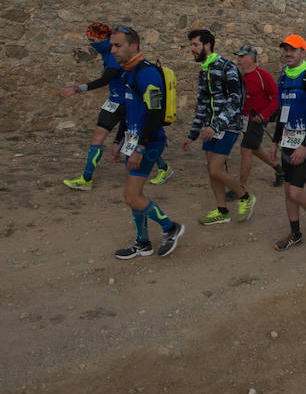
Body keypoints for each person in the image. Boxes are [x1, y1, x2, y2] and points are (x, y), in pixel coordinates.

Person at [60, 23, 173, 189]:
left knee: (136, 143)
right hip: (115, 101)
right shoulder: (112, 55)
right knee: (101, 138)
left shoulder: (128, 62)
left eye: (94, 40)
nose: (92, 44)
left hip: (126, 103)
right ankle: (86, 178)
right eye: (89, 40)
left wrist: (77, 89)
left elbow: (106, 79)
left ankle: (162, 167)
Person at [108, 25, 184, 259]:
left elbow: (154, 113)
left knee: (132, 196)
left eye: (118, 45)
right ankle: (143, 242)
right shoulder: (129, 72)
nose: (113, 50)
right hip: (134, 141)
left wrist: (140, 146)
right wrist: (119, 139)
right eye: (111, 45)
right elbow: (130, 110)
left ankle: (170, 227)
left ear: (134, 46)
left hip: (149, 143)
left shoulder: (146, 72)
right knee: (135, 194)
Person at [182, 29, 256, 225]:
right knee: (211, 168)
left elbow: (235, 99)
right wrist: (193, 133)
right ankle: (222, 210)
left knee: (215, 169)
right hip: (210, 128)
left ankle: (244, 197)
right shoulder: (204, 70)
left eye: (195, 45)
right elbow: (202, 104)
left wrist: (216, 126)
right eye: (191, 45)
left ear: (207, 45)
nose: (192, 49)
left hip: (228, 126)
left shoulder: (227, 66)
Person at [269, 34, 306, 249]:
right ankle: (295, 235)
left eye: (292, 49)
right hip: (287, 140)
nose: (288, 53)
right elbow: (282, 113)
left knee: (295, 191)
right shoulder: (284, 77)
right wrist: (275, 143)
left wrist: (304, 146)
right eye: (285, 49)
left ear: (302, 53)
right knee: (288, 190)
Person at [231, 45, 283, 197]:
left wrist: (263, 115)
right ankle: (280, 169)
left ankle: (240, 189)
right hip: (244, 119)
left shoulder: (262, 75)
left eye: (241, 57)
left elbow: (276, 99)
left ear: (251, 59)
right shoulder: (239, 76)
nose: (238, 60)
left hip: (258, 119)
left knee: (246, 149)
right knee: (255, 148)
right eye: (238, 57)